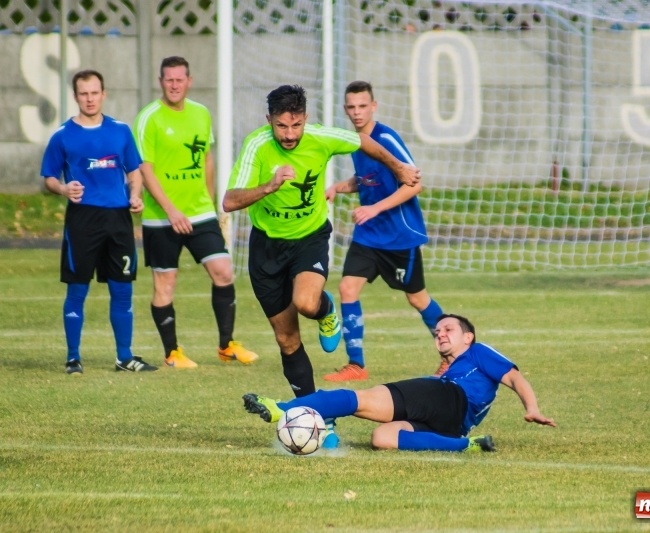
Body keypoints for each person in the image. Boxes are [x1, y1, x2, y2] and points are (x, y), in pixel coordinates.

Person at [222, 84, 420, 446]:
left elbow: (363, 142)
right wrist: (268, 186)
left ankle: (326, 310)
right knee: (287, 339)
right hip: (266, 248)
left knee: (307, 303)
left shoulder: (322, 137)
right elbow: (229, 201)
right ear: (269, 121)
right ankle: (317, 420)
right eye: (282, 126)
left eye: (296, 126)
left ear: (305, 119)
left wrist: (398, 165)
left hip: (309, 239)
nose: (290, 135)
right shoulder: (255, 145)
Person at [242, 314, 556, 452]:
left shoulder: (479, 352)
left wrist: (533, 408)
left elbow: (515, 377)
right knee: (383, 438)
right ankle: (468, 446)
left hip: (448, 399)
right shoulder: (446, 372)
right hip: (454, 425)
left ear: (468, 337)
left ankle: (281, 409)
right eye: (437, 332)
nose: (440, 333)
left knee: (359, 398)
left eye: (448, 329)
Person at [133, 56, 257, 368]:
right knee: (165, 284)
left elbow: (207, 160)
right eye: (168, 79)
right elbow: (144, 169)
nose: (174, 85)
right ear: (161, 82)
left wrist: (212, 203)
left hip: (200, 213)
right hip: (161, 217)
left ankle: (226, 345)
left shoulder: (201, 113)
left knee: (223, 271)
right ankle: (172, 352)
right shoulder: (149, 118)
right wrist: (172, 210)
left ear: (189, 81)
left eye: (179, 79)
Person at [323, 81, 445, 383]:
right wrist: (340, 186)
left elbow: (414, 182)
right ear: (345, 109)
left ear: (373, 106)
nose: (356, 112)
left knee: (417, 299)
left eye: (362, 106)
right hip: (368, 234)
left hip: (399, 236)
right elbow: (367, 178)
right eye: (351, 107)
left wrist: (375, 209)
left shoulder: (386, 138)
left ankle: (451, 356)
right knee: (347, 289)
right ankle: (356, 365)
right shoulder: (354, 140)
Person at [41, 69, 157, 374]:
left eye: (94, 93)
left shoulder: (120, 131)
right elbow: (49, 178)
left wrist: (135, 194)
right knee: (77, 290)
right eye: (83, 93)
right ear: (76, 96)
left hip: (118, 220)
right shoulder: (63, 135)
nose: (90, 99)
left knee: (122, 289)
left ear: (103, 94)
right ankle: (73, 358)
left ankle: (124, 357)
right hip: (82, 220)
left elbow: (134, 171)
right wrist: (64, 189)